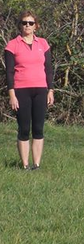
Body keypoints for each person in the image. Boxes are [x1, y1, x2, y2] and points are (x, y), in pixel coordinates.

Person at [4, 10, 55, 170]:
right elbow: (9, 72)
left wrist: (51, 90)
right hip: (21, 90)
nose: (27, 25)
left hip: (41, 90)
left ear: (36, 26)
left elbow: (48, 68)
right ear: (20, 25)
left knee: (38, 128)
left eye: (30, 23)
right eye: (24, 22)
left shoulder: (43, 44)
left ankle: (36, 164)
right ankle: (25, 165)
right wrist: (12, 94)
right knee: (24, 128)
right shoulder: (12, 45)